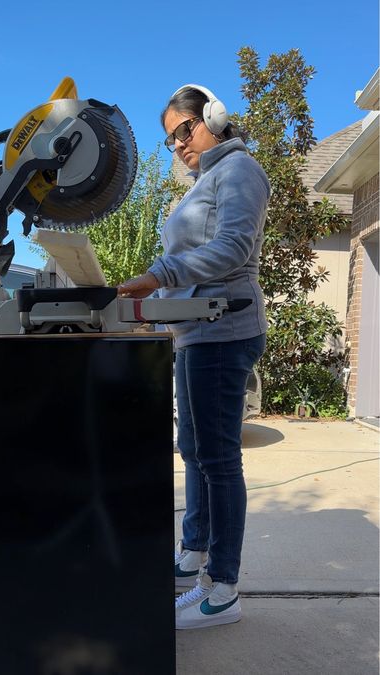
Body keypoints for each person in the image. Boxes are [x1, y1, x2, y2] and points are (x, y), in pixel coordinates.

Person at [117, 84, 270, 630]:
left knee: (219, 460)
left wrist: (158, 276)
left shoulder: (240, 171)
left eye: (183, 130)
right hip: (194, 334)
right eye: (170, 140)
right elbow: (193, 260)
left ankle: (223, 588)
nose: (179, 144)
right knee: (194, 450)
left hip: (225, 331)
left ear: (214, 117)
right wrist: (155, 310)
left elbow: (232, 250)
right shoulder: (204, 181)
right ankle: (192, 559)